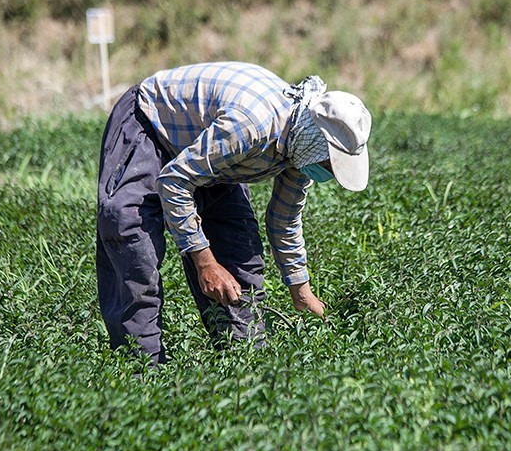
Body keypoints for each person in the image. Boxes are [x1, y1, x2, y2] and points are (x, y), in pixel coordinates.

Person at [95, 61, 372, 364]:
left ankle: (245, 369)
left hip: (212, 156)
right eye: (330, 165)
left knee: (239, 259)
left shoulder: (300, 151)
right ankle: (142, 375)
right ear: (316, 140)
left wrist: (301, 292)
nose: (327, 173)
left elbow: (284, 219)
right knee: (135, 250)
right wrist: (205, 263)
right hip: (150, 125)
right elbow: (175, 181)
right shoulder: (251, 125)